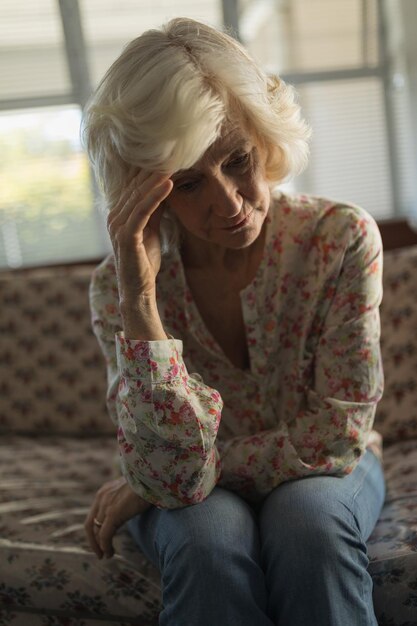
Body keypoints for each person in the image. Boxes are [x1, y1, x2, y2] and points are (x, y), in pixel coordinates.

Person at [82, 17, 386, 626]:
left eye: (239, 160)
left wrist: (170, 480)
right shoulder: (118, 288)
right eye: (190, 183)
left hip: (322, 473)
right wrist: (141, 302)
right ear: (149, 192)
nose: (229, 203)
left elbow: (335, 435)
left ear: (266, 139)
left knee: (310, 527)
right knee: (206, 542)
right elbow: (168, 475)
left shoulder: (340, 238)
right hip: (187, 489)